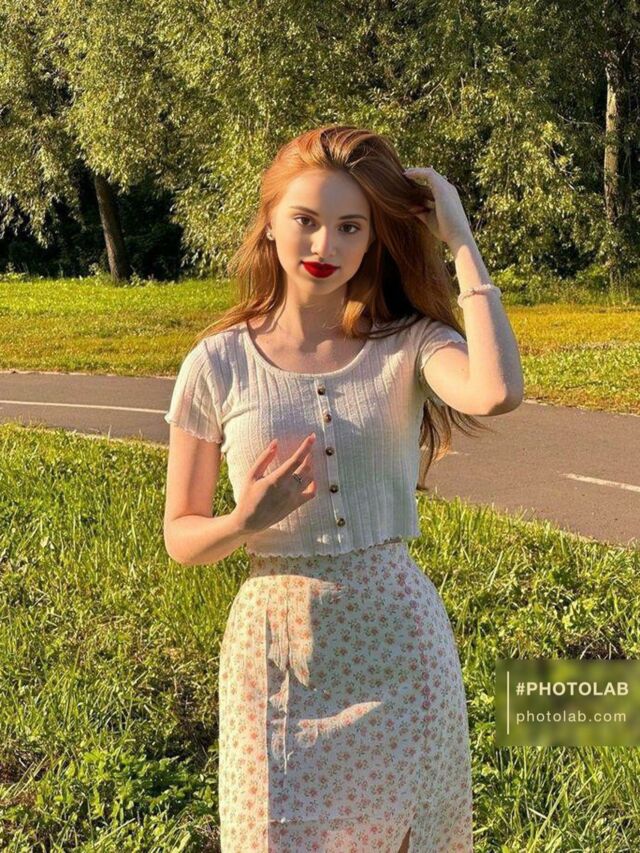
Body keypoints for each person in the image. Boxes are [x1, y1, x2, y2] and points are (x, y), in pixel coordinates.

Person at [163, 125, 523, 852]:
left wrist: (460, 241)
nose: (325, 244)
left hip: (399, 646)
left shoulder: (409, 343)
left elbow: (496, 390)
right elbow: (181, 535)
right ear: (270, 222)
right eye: (306, 219)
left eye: (351, 226)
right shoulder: (216, 364)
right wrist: (243, 520)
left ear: (373, 239)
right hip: (278, 653)